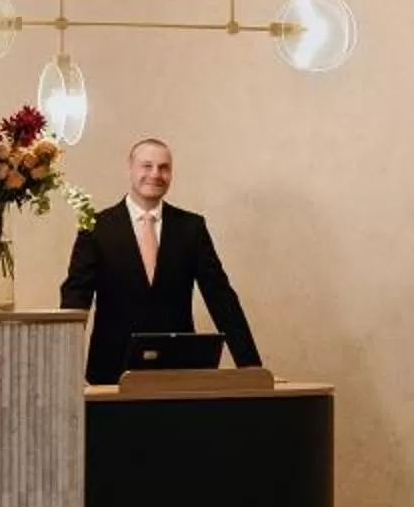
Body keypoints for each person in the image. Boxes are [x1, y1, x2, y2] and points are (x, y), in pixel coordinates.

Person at [59, 137, 262, 385]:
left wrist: (251, 368)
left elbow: (221, 297)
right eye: (147, 166)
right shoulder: (95, 227)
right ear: (130, 169)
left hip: (180, 370)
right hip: (111, 372)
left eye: (164, 167)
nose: (156, 174)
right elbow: (76, 300)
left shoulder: (191, 227)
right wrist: (65, 369)